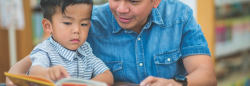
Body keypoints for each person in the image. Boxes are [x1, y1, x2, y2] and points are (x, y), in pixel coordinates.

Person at [6, 0, 217, 86]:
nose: (122, 9)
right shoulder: (86, 21)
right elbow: (40, 54)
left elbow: (207, 76)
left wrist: (176, 83)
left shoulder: (180, 16)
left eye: (134, 1)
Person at [9, 0, 114, 85]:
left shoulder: (85, 50)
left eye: (83, 24)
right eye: (68, 23)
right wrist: (47, 72)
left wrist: (87, 84)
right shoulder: (45, 50)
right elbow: (34, 71)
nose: (77, 30)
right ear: (48, 26)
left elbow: (107, 75)